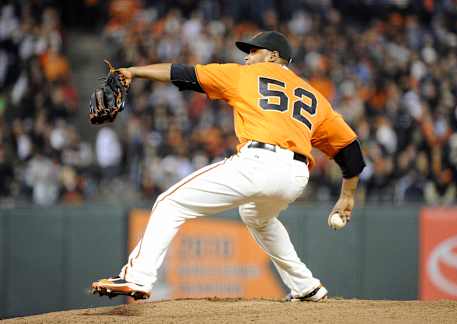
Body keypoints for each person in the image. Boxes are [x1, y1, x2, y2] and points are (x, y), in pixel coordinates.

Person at [92, 31, 365, 301]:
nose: (247, 57)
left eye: (253, 51)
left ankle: (137, 276)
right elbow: (350, 151)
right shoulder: (315, 97)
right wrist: (347, 196)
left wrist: (134, 71)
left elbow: (182, 73)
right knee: (257, 217)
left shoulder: (243, 75)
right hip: (295, 175)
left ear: (273, 56)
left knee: (169, 203)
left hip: (258, 162)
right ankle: (307, 287)